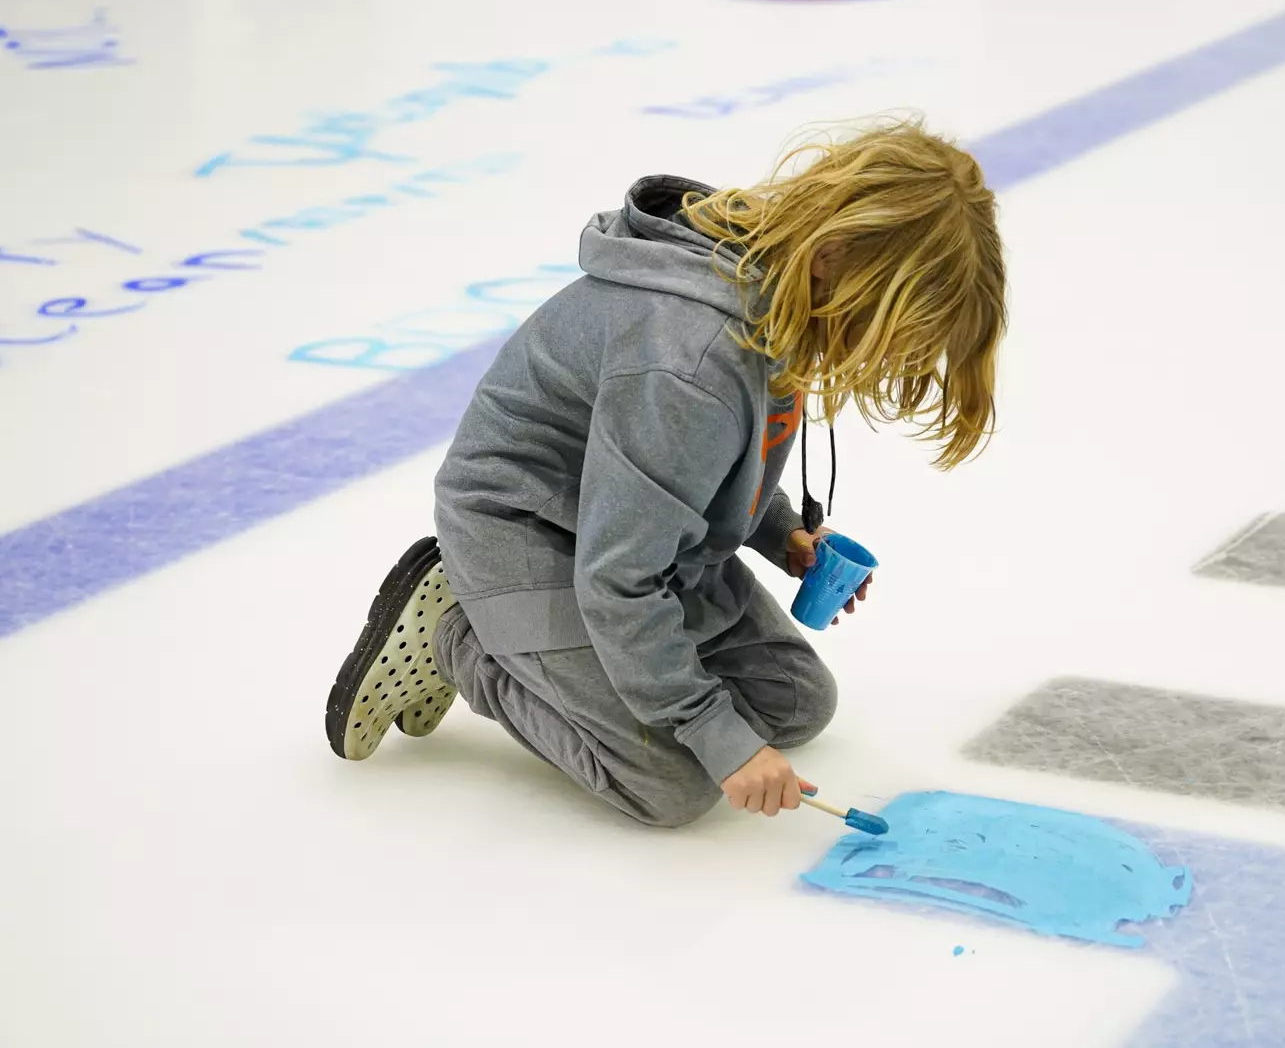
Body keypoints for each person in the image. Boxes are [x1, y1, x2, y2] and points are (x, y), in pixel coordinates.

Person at [323, 120, 1007, 827]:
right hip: (528, 534)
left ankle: (582, 662)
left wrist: (779, 534)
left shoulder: (774, 287)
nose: (874, 353)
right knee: (672, 785)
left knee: (795, 702)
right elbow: (618, 579)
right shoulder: (689, 362)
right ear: (835, 255)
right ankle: (461, 634)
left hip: (626, 530)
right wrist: (716, 738)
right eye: (883, 329)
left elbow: (702, 463)